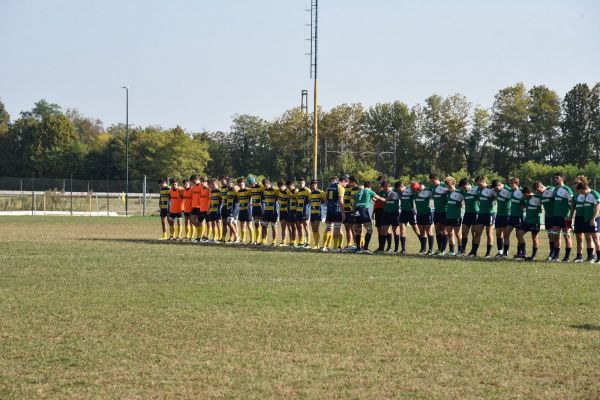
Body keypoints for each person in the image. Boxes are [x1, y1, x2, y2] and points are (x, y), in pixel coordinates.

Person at [468, 177, 497, 258]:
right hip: (481, 214)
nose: (478, 185)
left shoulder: (491, 189)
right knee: (477, 233)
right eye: (477, 184)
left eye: (480, 183)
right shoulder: (478, 189)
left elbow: (496, 197)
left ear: (484, 182)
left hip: (490, 214)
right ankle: (474, 252)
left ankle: (488, 253)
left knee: (489, 233)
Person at [353, 181, 385, 254]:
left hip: (357, 211)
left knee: (358, 230)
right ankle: (365, 248)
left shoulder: (358, 192)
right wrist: (387, 199)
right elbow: (380, 199)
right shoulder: (370, 191)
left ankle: (358, 248)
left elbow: (354, 203)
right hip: (364, 211)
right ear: (370, 186)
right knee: (369, 229)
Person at [515, 183, 544, 261]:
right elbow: (522, 204)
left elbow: (545, 201)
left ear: (529, 193)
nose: (524, 196)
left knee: (534, 238)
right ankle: (523, 253)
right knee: (519, 234)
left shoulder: (537, 197)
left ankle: (533, 256)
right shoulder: (524, 198)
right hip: (527, 221)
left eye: (525, 195)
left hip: (535, 221)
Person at [549, 172, 573, 262]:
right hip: (556, 216)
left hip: (564, 216)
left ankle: (566, 257)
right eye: (554, 178)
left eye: (557, 178)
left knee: (566, 236)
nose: (555, 179)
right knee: (556, 236)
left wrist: (569, 215)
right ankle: (556, 256)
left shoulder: (567, 189)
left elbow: (572, 203)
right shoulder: (555, 189)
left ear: (562, 179)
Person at [579, 181, 600, 263]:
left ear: (586, 188)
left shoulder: (595, 194)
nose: (581, 193)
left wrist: (593, 219)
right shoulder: (586, 195)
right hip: (586, 219)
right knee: (588, 238)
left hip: (595, 219)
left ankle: (599, 258)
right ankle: (590, 258)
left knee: (596, 239)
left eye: (582, 191)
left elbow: (598, 207)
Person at [323, 176, 345, 252]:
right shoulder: (340, 188)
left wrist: (329, 205)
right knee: (337, 229)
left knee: (328, 228)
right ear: (338, 180)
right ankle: (335, 248)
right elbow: (341, 201)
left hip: (329, 210)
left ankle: (324, 247)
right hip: (337, 210)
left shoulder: (328, 188)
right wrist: (343, 212)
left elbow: (325, 200)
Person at [379, 181, 402, 254]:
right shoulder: (381, 192)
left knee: (395, 231)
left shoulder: (395, 192)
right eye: (383, 188)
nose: (385, 189)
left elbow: (401, 196)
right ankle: (382, 249)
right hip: (385, 213)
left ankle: (396, 249)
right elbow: (381, 200)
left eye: (386, 187)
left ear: (389, 186)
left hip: (394, 213)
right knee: (383, 230)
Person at [443, 176, 464, 256]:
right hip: (448, 215)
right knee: (450, 234)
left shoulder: (459, 192)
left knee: (458, 234)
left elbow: (464, 199)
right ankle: (452, 251)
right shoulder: (447, 192)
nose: (447, 185)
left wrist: (462, 203)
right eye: (446, 184)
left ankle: (460, 251)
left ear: (453, 183)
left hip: (456, 216)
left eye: (449, 183)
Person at [399, 181, 420, 254]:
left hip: (411, 212)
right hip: (403, 212)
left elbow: (418, 191)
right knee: (402, 229)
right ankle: (403, 249)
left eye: (400, 189)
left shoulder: (412, 191)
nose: (399, 191)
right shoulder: (401, 190)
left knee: (416, 229)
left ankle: (423, 246)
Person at [430, 173, 449, 255]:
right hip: (437, 211)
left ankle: (443, 250)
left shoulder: (444, 185)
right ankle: (439, 249)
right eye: (431, 181)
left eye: (433, 181)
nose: (432, 182)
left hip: (445, 211)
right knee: (437, 230)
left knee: (444, 231)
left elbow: (452, 191)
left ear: (436, 179)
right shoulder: (433, 188)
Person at [505, 177, 524, 258]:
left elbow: (525, 204)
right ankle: (505, 253)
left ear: (516, 183)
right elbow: (503, 187)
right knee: (506, 233)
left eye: (512, 183)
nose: (510, 185)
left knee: (518, 235)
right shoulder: (511, 191)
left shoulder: (522, 191)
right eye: (510, 183)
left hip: (519, 216)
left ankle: (520, 253)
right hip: (512, 216)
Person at [414, 183, 434, 255]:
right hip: (419, 214)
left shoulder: (427, 192)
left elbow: (433, 190)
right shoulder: (415, 193)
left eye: (418, 189)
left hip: (427, 214)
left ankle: (431, 250)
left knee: (429, 232)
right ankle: (423, 249)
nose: (417, 191)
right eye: (416, 189)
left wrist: (424, 188)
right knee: (422, 232)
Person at [494, 179, 512, 257]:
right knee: (498, 234)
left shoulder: (508, 190)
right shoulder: (496, 190)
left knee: (506, 235)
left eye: (497, 187)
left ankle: (505, 252)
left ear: (500, 185)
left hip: (506, 215)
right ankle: (500, 251)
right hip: (499, 215)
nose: (496, 189)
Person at [572, 176, 588, 262]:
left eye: (576, 183)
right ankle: (579, 256)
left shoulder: (587, 194)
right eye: (574, 183)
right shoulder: (575, 196)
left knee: (589, 238)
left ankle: (591, 256)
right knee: (579, 238)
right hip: (578, 218)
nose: (575, 185)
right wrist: (570, 218)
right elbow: (573, 208)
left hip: (586, 218)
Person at [461, 178, 479, 255]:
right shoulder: (464, 192)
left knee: (474, 233)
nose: (463, 188)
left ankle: (473, 251)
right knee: (464, 232)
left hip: (475, 213)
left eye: (464, 186)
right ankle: (462, 251)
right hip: (467, 214)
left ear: (468, 184)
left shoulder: (475, 190)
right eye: (462, 187)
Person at [294, 178, 312, 249]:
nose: (301, 184)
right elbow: (297, 201)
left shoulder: (307, 190)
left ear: (304, 183)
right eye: (300, 183)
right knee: (299, 227)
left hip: (305, 212)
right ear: (298, 183)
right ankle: (301, 242)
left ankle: (308, 243)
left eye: (302, 183)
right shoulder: (298, 192)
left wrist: (307, 206)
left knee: (306, 227)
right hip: (299, 211)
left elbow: (311, 199)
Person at [261, 180, 280, 246]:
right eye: (263, 185)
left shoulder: (275, 190)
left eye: (265, 185)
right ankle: (263, 240)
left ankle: (274, 241)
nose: (264, 186)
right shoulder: (264, 189)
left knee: (274, 226)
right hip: (266, 211)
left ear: (269, 183)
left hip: (273, 211)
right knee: (264, 225)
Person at [342, 176, 359, 250]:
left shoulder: (354, 188)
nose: (346, 182)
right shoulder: (342, 188)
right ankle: (349, 244)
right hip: (344, 210)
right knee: (347, 228)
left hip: (351, 210)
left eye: (347, 181)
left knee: (354, 228)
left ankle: (357, 244)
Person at [309, 180, 326, 250]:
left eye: (315, 185)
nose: (314, 186)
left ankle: (316, 244)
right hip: (312, 213)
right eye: (312, 185)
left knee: (316, 228)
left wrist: (322, 202)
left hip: (318, 213)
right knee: (313, 229)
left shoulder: (321, 192)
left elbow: (325, 200)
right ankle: (316, 244)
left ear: (317, 185)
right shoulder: (311, 193)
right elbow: (310, 201)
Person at [540, 182, 555, 260]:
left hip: (554, 216)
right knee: (550, 235)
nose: (538, 192)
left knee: (555, 235)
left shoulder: (551, 190)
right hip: (547, 216)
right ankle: (551, 253)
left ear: (542, 186)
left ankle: (555, 254)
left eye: (539, 190)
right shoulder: (540, 194)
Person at [237, 178, 253, 244]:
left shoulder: (248, 190)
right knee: (242, 225)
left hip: (248, 210)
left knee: (249, 225)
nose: (241, 186)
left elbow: (254, 192)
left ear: (244, 184)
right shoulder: (238, 192)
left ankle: (252, 240)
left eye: (242, 184)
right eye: (239, 185)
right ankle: (242, 240)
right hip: (241, 210)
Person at [206, 179, 222, 243]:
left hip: (218, 210)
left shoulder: (220, 192)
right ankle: (214, 238)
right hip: (212, 210)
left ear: (217, 184)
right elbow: (211, 202)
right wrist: (209, 209)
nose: (212, 185)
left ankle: (220, 238)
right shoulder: (211, 192)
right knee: (213, 223)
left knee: (218, 223)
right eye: (211, 184)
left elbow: (222, 201)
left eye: (213, 184)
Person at [249, 176, 264, 244]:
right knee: (256, 224)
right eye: (250, 184)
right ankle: (257, 240)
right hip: (254, 207)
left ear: (254, 181)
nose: (251, 185)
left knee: (262, 224)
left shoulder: (261, 186)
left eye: (252, 183)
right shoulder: (251, 188)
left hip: (260, 207)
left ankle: (263, 240)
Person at [224, 179, 240, 243]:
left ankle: (237, 237)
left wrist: (236, 188)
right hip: (229, 208)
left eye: (229, 183)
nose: (228, 184)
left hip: (234, 208)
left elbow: (239, 195)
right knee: (234, 223)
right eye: (227, 183)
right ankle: (235, 238)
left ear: (232, 183)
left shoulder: (235, 189)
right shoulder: (228, 191)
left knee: (229, 222)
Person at [285, 180, 299, 246]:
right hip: (291, 211)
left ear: (293, 185)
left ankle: (301, 241)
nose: (289, 188)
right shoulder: (289, 192)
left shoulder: (296, 191)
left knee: (298, 227)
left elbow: (298, 202)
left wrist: (297, 211)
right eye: (288, 187)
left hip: (296, 211)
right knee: (292, 227)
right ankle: (293, 241)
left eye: (290, 187)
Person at [277, 181, 290, 246]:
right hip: (281, 211)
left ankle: (293, 241)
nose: (281, 188)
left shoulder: (288, 192)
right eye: (279, 186)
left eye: (282, 186)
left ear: (285, 186)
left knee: (290, 227)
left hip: (287, 211)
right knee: (283, 227)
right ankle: (283, 241)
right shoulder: (278, 192)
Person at [219, 176, 230, 242]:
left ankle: (233, 237)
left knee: (231, 223)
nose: (221, 182)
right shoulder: (222, 188)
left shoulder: (229, 188)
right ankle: (223, 238)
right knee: (224, 223)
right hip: (224, 207)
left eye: (223, 180)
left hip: (229, 207)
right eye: (221, 180)